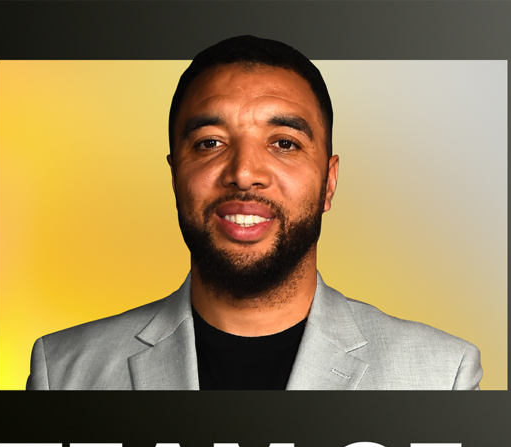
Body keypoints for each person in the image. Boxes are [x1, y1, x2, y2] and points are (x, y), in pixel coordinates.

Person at [26, 36, 481, 391]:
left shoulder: (441, 374)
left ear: (329, 182)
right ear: (174, 176)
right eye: (209, 143)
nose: (243, 173)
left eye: (284, 143)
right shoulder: (63, 370)